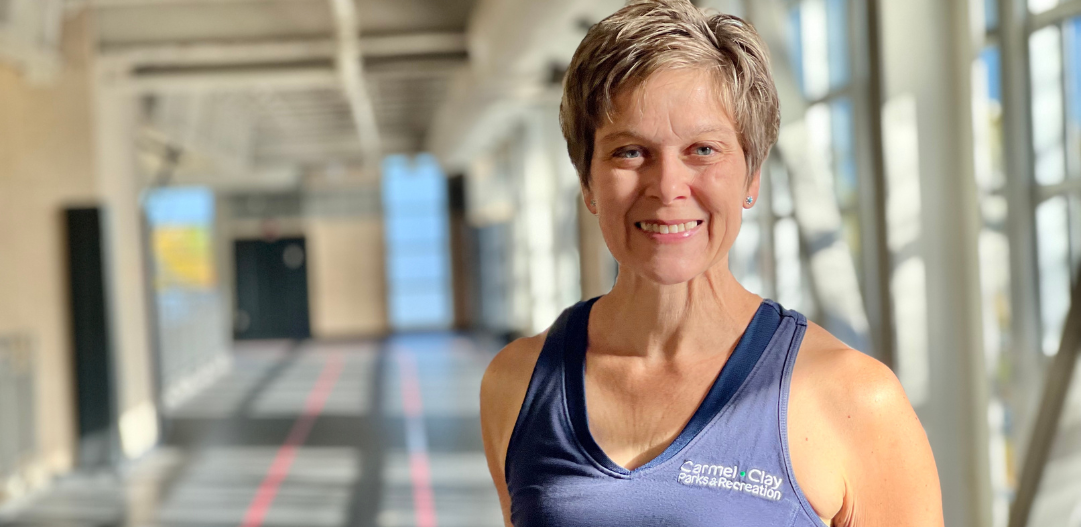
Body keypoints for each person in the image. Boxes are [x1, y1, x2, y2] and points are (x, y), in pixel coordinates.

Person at [479, 0, 944, 525]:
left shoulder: (853, 398)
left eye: (702, 149)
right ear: (587, 181)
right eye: (630, 152)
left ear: (751, 177)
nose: (668, 187)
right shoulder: (516, 384)